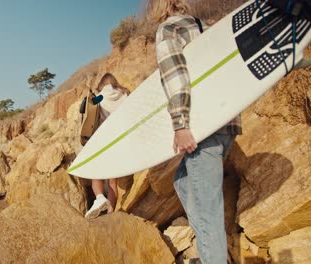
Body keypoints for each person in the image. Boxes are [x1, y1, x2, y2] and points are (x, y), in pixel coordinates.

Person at [147, 0, 242, 263]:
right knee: (182, 180)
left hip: (203, 127)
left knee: (208, 211)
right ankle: (212, 252)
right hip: (227, 123)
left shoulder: (168, 31)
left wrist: (181, 124)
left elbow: (176, 78)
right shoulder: (208, 28)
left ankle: (213, 255)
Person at [84, 73, 130, 219]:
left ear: (102, 84)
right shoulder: (125, 94)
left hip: (103, 140)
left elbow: (86, 108)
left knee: (95, 173)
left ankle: (99, 198)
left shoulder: (100, 97)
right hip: (120, 142)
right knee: (113, 181)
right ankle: (110, 213)